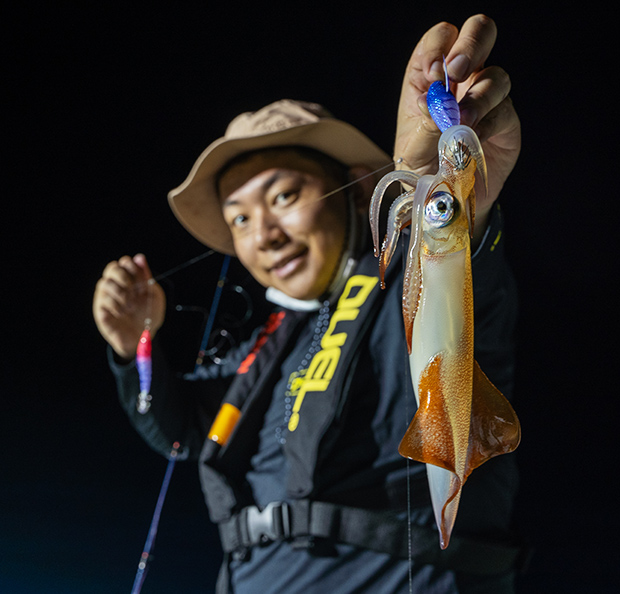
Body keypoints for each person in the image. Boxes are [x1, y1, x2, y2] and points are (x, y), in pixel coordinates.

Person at [93, 15, 523, 593]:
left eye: (285, 196)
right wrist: (135, 348)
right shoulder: (262, 349)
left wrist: (442, 193)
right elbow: (181, 430)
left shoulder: (399, 286)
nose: (264, 234)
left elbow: (458, 279)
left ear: (357, 189)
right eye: (240, 219)